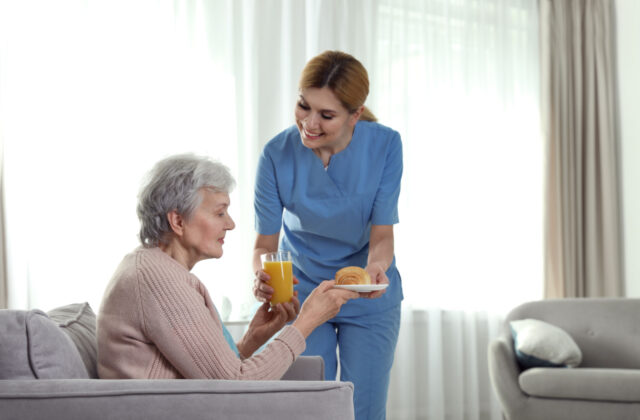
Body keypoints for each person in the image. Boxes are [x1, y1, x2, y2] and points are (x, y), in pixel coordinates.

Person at [97, 153, 358, 380]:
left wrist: (253, 338)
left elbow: (212, 372)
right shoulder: (155, 278)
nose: (231, 224)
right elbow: (236, 383)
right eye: (220, 212)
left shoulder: (154, 269)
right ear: (177, 220)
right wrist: (308, 321)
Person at [252, 51, 403, 419]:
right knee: (308, 407)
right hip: (300, 295)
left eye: (327, 115)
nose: (309, 123)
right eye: (304, 106)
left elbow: (382, 233)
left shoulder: (385, 146)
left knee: (363, 409)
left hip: (366, 293)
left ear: (356, 114)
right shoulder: (275, 154)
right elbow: (264, 245)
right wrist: (262, 277)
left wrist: (377, 268)